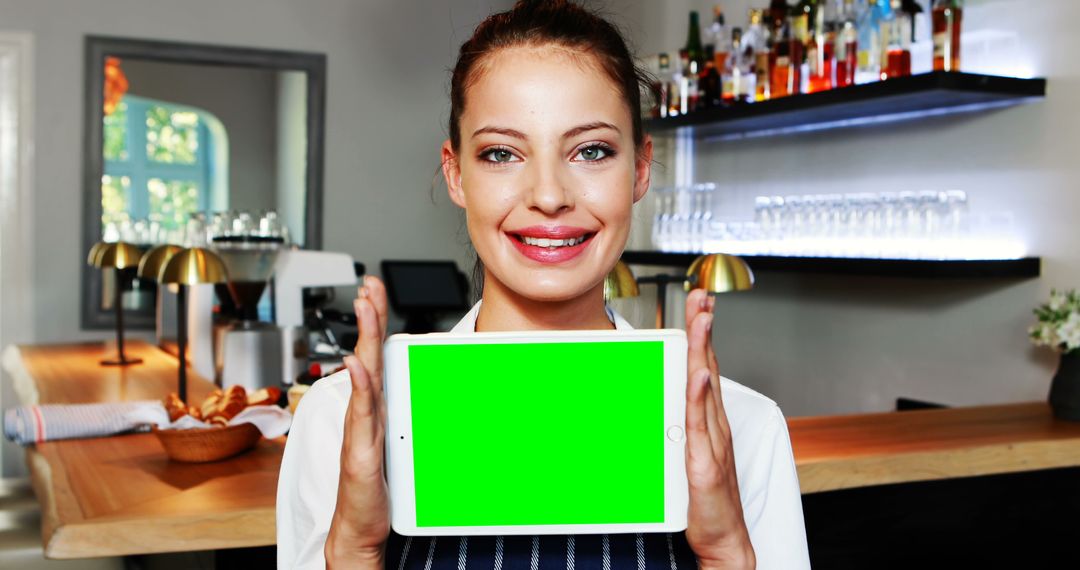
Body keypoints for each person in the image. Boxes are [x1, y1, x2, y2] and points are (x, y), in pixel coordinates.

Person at [277, 1, 810, 568]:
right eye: (502, 153)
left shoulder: (744, 428)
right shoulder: (336, 420)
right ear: (457, 174)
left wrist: (727, 552)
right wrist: (355, 552)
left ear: (639, 170)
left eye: (591, 150)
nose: (549, 195)